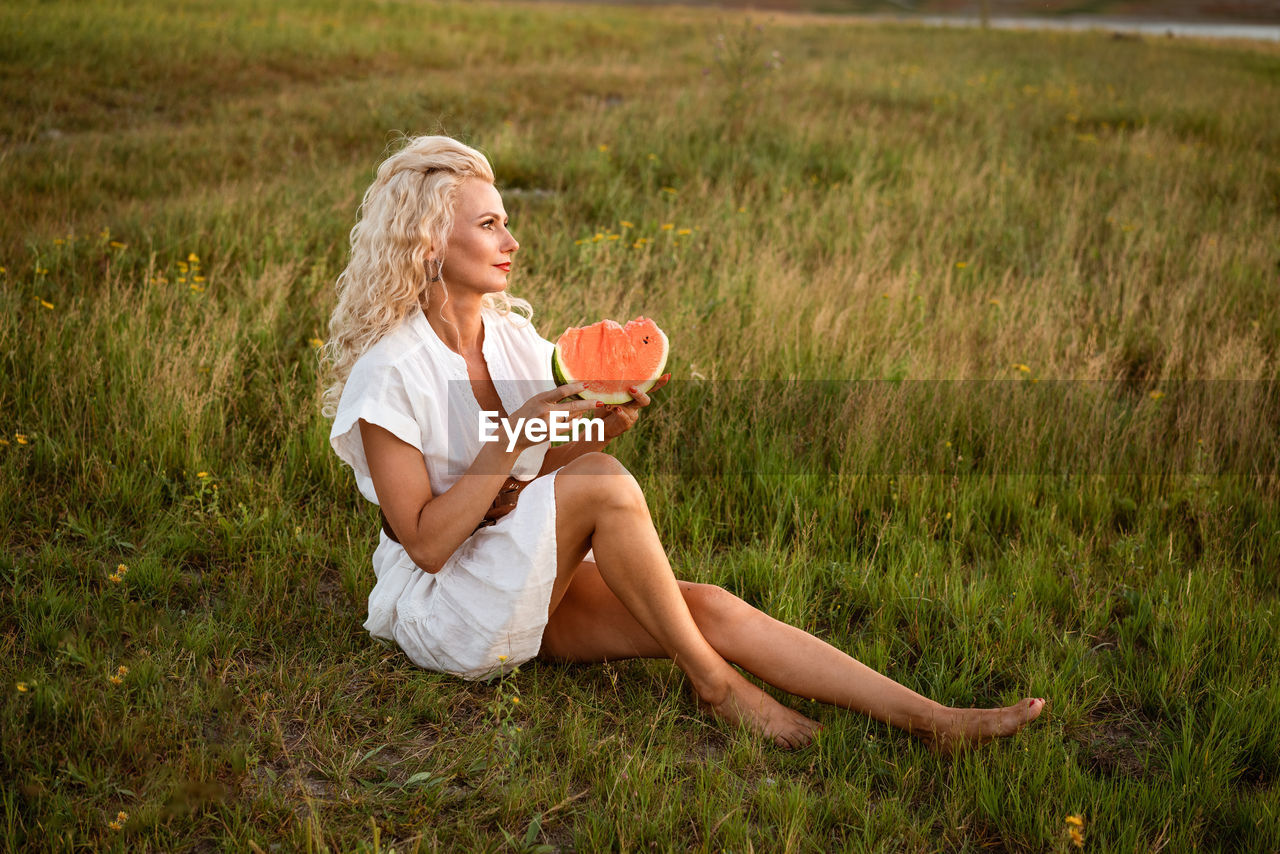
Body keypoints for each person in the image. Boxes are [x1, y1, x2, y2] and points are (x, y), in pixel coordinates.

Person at [323, 135, 1045, 750]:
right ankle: (714, 683)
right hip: (447, 607)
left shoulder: (512, 339)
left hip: (510, 565)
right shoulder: (391, 371)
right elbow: (424, 543)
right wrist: (519, 436)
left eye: (507, 222)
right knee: (605, 481)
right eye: (488, 225)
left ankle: (932, 720)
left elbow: (545, 471)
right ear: (427, 241)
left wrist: (592, 430)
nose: (512, 242)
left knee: (711, 604)